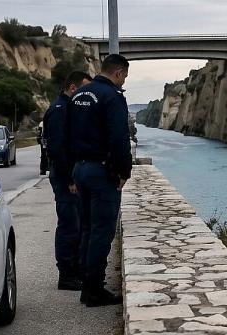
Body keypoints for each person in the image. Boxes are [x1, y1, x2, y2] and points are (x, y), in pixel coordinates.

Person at [68, 54, 132, 307]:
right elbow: (119, 138)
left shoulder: (78, 96)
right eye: (124, 76)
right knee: (101, 233)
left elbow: (67, 136)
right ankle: (94, 290)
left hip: (80, 169)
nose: (123, 81)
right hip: (101, 173)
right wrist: (123, 171)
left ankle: (87, 286)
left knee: (86, 229)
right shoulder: (111, 97)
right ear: (118, 73)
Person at [43, 70, 92, 291]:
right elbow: (56, 149)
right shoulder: (58, 110)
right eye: (84, 89)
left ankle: (77, 271)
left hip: (73, 176)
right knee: (69, 225)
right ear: (73, 88)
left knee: (78, 224)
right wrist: (69, 179)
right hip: (66, 178)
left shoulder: (69, 108)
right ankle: (67, 275)